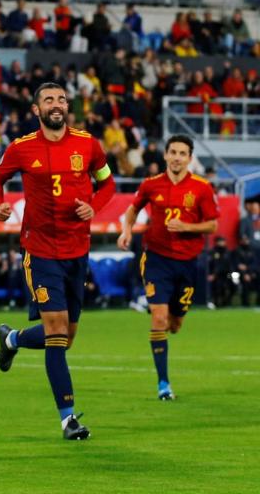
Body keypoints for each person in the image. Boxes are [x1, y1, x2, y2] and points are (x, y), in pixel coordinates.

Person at [0, 82, 115, 440]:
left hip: (77, 251)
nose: (56, 104)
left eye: (61, 99)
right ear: (36, 109)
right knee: (57, 331)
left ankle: (11, 340)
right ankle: (68, 419)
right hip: (40, 250)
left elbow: (108, 184)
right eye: (48, 100)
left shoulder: (87, 144)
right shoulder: (22, 148)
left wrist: (96, 207)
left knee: (65, 337)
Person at [117, 135, 218, 400]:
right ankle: (163, 384)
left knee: (175, 324)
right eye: (172, 152)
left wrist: (187, 227)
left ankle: (170, 327)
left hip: (187, 264)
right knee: (159, 319)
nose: (176, 157)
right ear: (165, 155)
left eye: (182, 153)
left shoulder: (202, 188)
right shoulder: (151, 185)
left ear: (189, 158)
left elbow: (212, 225)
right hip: (156, 259)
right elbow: (132, 209)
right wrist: (126, 231)